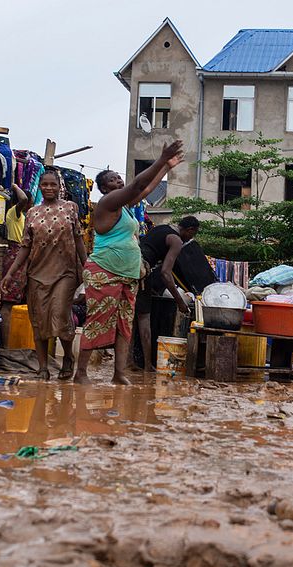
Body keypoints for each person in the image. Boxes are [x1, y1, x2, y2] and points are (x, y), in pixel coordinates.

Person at [74, 140, 184, 385]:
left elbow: (143, 191)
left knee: (125, 325)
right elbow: (138, 184)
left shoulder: (123, 208)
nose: (119, 181)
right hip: (105, 271)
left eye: (118, 178)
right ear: (103, 188)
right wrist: (160, 159)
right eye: (113, 179)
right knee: (98, 321)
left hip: (128, 274)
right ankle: (80, 373)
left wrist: (166, 166)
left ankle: (119, 373)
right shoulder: (108, 204)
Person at [0, 170, 87, 380]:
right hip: (37, 273)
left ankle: (68, 357)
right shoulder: (32, 212)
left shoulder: (70, 208)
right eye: (45, 184)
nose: (49, 188)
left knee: (59, 314)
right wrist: (10, 274)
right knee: (38, 321)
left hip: (65, 272)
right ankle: (43, 368)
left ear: (59, 187)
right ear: (39, 186)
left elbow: (78, 240)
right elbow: (25, 247)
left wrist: (87, 268)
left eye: (53, 185)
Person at [135, 216, 200, 370]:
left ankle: (129, 362)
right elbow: (165, 272)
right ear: (190, 230)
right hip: (141, 270)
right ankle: (146, 365)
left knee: (130, 318)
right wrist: (180, 302)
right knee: (144, 318)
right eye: (193, 234)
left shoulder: (161, 228)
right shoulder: (176, 241)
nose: (191, 238)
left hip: (130, 264)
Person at [0, 185, 33, 346]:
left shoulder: (24, 217)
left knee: (21, 303)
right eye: (30, 203)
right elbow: (24, 199)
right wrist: (13, 185)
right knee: (9, 303)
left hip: (24, 257)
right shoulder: (14, 213)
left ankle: (18, 343)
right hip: (16, 255)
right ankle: (7, 346)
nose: (31, 205)